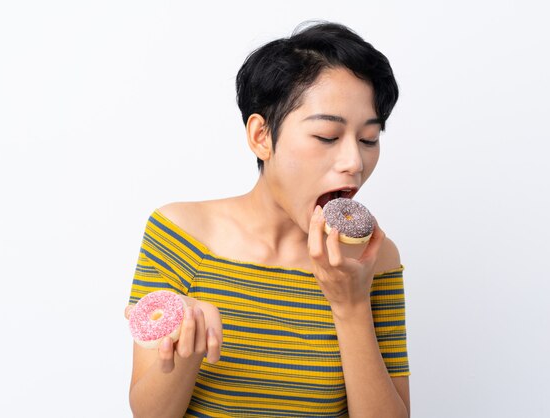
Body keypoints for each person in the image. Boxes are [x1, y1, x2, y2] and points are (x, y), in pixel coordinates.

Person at [125, 21, 410, 417]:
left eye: (368, 139)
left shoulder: (374, 257)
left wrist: (350, 304)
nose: (354, 163)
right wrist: (190, 346)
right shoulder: (181, 233)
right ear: (262, 136)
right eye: (328, 136)